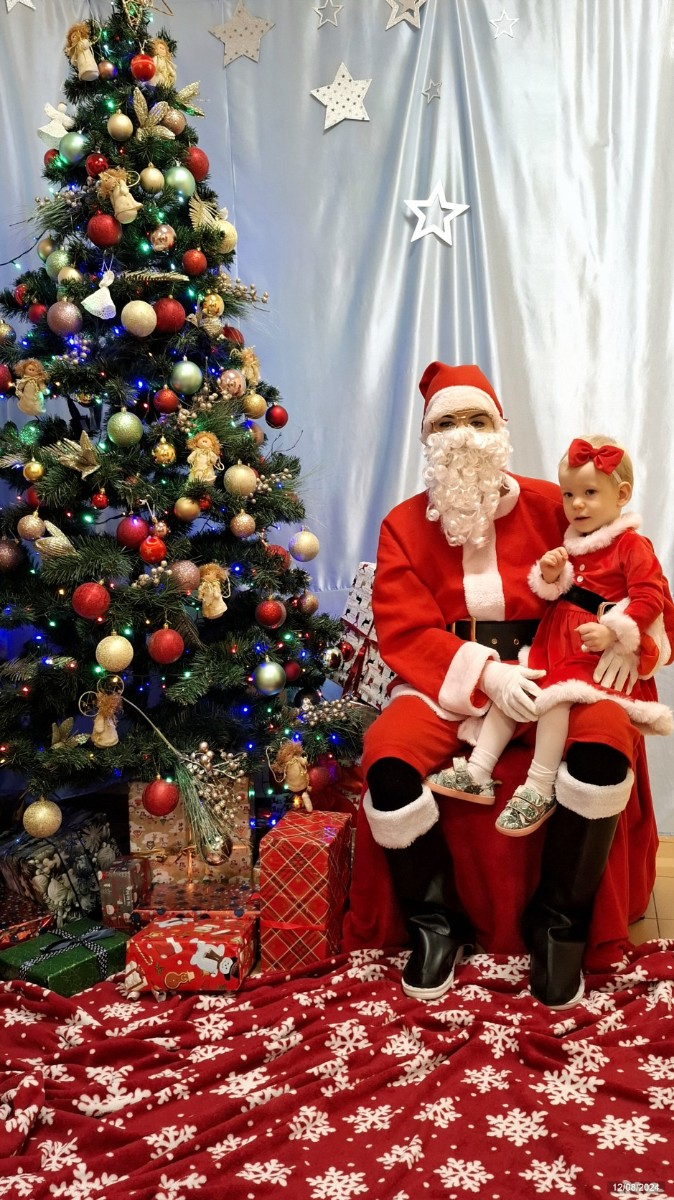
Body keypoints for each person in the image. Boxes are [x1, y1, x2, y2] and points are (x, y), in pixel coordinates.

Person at [346, 361, 674, 1009]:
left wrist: (624, 636)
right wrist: (486, 674)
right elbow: (405, 631)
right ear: (427, 439)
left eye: (478, 420)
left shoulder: (561, 504)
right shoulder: (403, 526)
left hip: (559, 671)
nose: (464, 435)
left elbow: (633, 577)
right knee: (387, 758)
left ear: (502, 429)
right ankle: (436, 926)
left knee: (607, 740)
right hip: (449, 684)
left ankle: (559, 927)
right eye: (447, 423)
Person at [427, 434, 672, 837]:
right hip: (556, 647)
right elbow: (565, 592)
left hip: (593, 658)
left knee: (556, 700)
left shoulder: (632, 545)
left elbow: (650, 597)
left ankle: (539, 788)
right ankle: (477, 771)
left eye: (590, 493)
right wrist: (552, 575)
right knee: (518, 689)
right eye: (569, 494)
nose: (577, 504)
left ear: (622, 494)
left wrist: (614, 632)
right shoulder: (575, 542)